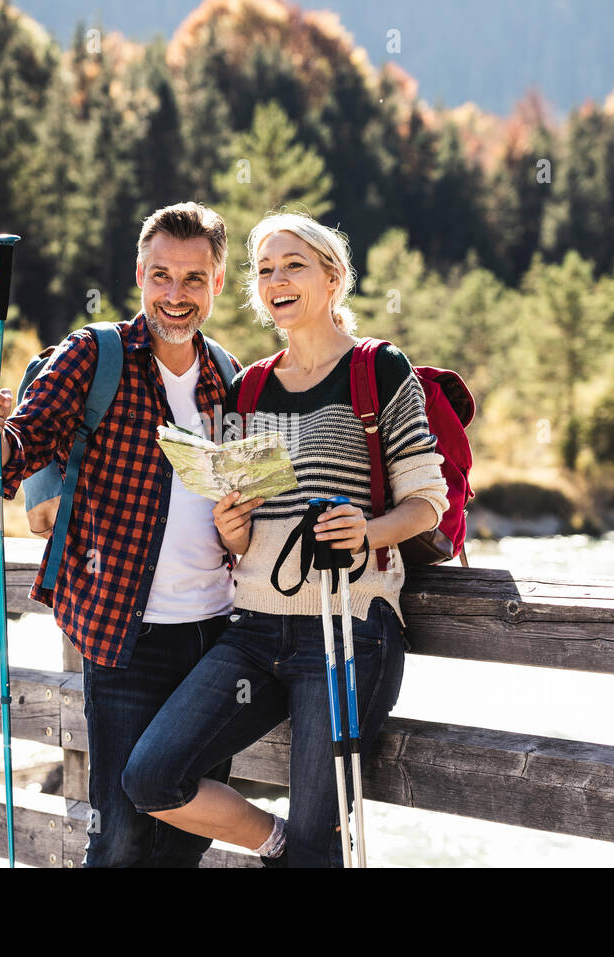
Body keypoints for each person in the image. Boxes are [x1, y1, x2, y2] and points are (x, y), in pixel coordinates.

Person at [121, 211, 449, 866]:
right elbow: (244, 532)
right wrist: (232, 527)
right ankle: (278, 845)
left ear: (333, 278)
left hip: (349, 631)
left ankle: (300, 849)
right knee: (151, 775)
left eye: (293, 264)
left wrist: (367, 530)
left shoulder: (377, 369)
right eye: (265, 269)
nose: (276, 279)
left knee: (318, 847)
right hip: (254, 633)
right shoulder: (251, 387)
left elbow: (427, 502)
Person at [0, 202, 242, 867]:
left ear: (218, 284)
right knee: (118, 834)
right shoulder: (96, 354)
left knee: (185, 835)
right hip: (127, 637)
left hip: (219, 642)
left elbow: (241, 509)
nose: (176, 295)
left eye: (194, 278)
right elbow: (13, 453)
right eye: (162, 276)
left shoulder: (228, 377)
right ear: (139, 274)